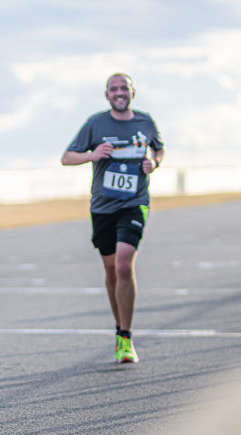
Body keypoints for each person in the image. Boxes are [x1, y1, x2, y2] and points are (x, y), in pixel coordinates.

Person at [61, 73, 164, 363]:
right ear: (107, 95)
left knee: (122, 265)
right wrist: (93, 155)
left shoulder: (145, 121)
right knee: (110, 272)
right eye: (113, 89)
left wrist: (153, 162)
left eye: (124, 88)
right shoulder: (95, 124)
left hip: (135, 203)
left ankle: (125, 337)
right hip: (103, 207)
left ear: (133, 92)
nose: (119, 93)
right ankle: (119, 326)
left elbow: (159, 147)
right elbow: (67, 157)